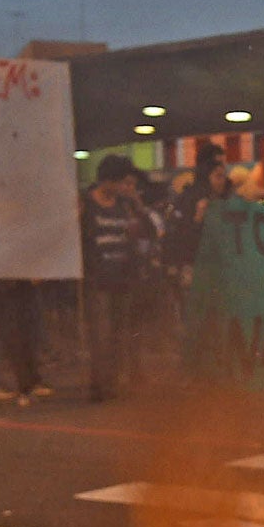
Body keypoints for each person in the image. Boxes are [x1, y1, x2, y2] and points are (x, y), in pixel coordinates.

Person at [80, 155, 149, 401]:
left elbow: (145, 231)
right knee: (100, 334)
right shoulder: (85, 204)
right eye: (120, 182)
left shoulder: (124, 204)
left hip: (122, 278)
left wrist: (138, 205)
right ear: (107, 180)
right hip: (98, 279)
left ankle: (112, 383)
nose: (123, 187)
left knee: (118, 333)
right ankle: (99, 385)